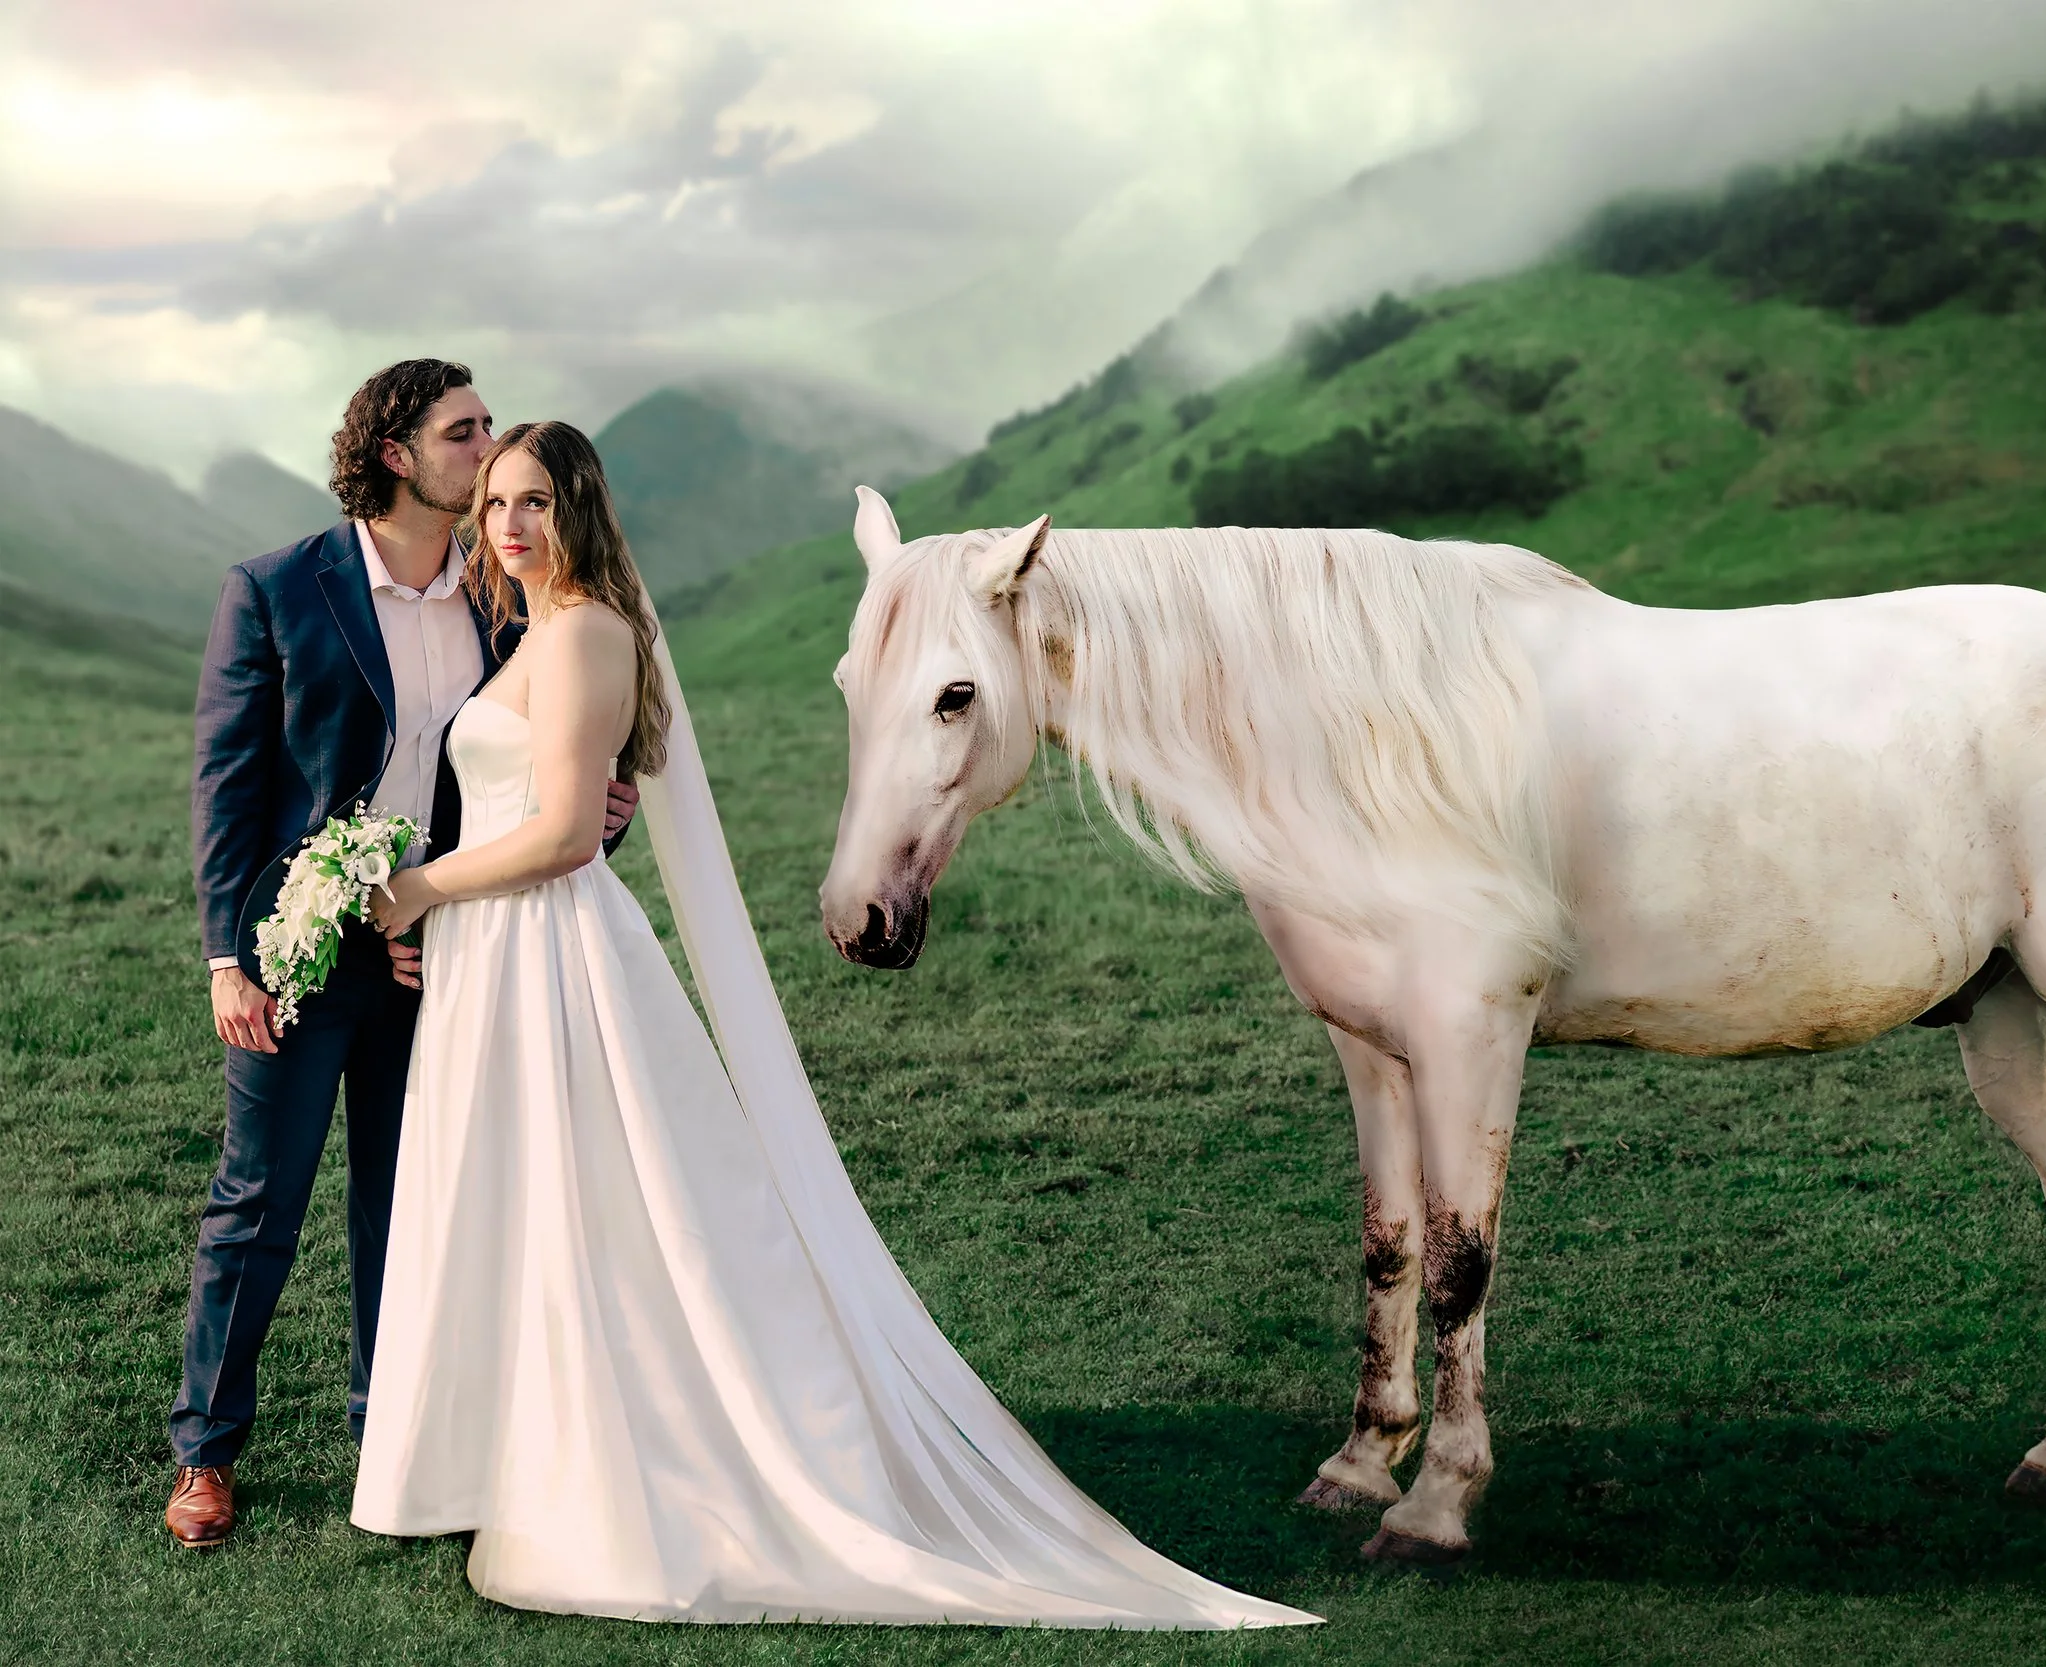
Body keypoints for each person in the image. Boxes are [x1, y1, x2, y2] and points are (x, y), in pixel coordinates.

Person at [352, 422, 1314, 1628]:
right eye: (496, 500)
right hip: (494, 953)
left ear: (580, 510)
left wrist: (422, 885)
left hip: (547, 948)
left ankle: (634, 1465)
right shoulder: (535, 631)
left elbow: (558, 834)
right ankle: (510, 1448)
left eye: (536, 500)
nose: (510, 524)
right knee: (524, 1195)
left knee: (589, 1199)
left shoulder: (590, 630)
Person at [173, 363, 638, 1550]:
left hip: (442, 946)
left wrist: (594, 802)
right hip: (297, 946)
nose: (488, 452)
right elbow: (228, 790)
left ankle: (392, 1426)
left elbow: (544, 745)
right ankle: (206, 1453)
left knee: (411, 1194)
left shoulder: (503, 593)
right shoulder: (278, 590)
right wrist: (232, 959)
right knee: (258, 1198)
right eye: (463, 432)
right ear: (396, 453)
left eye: (490, 431)